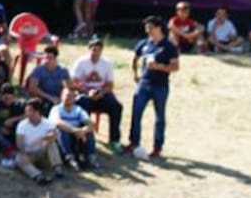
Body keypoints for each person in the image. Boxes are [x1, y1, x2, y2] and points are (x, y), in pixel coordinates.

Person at [127, 15, 179, 158]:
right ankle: (133, 143)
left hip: (160, 86)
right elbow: (135, 58)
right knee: (136, 113)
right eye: (146, 28)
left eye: (150, 28)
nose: (148, 31)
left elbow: (175, 67)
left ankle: (157, 147)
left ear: (158, 28)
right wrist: (135, 74)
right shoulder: (144, 43)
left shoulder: (168, 46)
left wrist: (159, 66)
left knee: (159, 117)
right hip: (144, 84)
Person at [70, 36, 123, 153]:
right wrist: (87, 91)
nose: (95, 53)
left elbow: (110, 84)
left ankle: (115, 139)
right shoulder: (81, 62)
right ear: (89, 49)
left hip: (102, 93)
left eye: (98, 50)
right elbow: (74, 82)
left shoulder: (107, 64)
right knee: (81, 103)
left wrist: (101, 93)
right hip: (84, 92)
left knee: (116, 106)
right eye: (93, 50)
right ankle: (83, 137)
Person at [15, 100, 64, 186]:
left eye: (29, 111)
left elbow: (53, 135)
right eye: (26, 111)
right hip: (29, 155)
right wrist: (24, 153)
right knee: (19, 159)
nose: (26, 113)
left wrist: (41, 139)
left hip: (43, 154)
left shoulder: (48, 123)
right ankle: (38, 176)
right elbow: (19, 143)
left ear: (37, 112)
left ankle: (58, 170)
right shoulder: (22, 125)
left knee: (52, 144)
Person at [50, 87, 99, 170]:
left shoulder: (78, 110)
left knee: (89, 133)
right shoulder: (56, 109)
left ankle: (91, 158)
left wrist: (83, 131)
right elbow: (58, 122)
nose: (68, 98)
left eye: (71, 96)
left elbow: (91, 124)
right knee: (62, 131)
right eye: (67, 95)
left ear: (75, 98)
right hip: (63, 136)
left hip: (77, 135)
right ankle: (70, 158)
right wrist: (75, 130)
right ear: (61, 96)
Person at [26, 46, 72, 113]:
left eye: (50, 58)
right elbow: (32, 88)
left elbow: (70, 86)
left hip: (58, 98)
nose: (47, 60)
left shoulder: (63, 70)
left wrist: (64, 97)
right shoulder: (38, 70)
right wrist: (50, 98)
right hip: (42, 98)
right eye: (45, 58)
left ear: (56, 58)